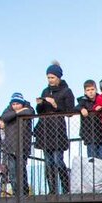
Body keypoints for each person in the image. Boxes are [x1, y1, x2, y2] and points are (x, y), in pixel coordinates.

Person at [33, 62, 74, 194]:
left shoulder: (67, 91)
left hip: (58, 129)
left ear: (59, 77)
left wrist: (55, 105)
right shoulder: (45, 91)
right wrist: (39, 104)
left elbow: (70, 111)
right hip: (45, 128)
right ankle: (52, 190)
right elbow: (40, 111)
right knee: (48, 162)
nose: (50, 80)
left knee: (58, 160)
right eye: (48, 77)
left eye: (52, 77)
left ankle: (66, 187)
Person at [0, 92, 34, 196]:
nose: (15, 106)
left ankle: (24, 192)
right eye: (13, 104)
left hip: (23, 146)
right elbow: (4, 117)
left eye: (17, 104)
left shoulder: (28, 107)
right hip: (10, 146)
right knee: (13, 172)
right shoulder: (8, 110)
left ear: (22, 103)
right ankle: (16, 193)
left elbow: (29, 112)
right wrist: (18, 112)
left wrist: (16, 113)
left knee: (21, 170)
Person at [76, 79, 102, 160]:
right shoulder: (83, 101)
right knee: (92, 158)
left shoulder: (101, 99)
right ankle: (94, 173)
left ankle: (101, 173)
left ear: (96, 89)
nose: (90, 92)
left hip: (101, 132)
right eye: (88, 90)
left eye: (92, 89)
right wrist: (82, 109)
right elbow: (76, 107)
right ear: (85, 92)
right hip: (89, 134)